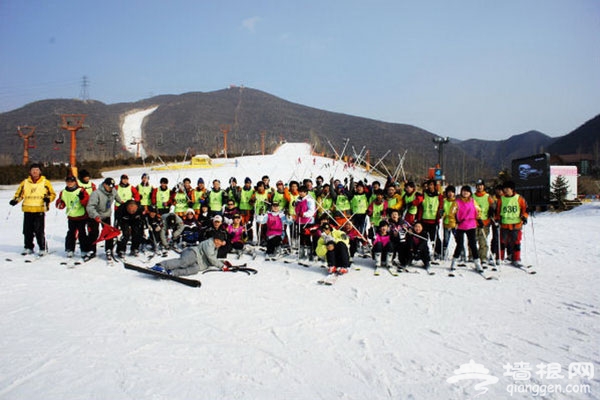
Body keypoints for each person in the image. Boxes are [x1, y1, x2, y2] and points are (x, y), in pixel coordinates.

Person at [10, 163, 56, 256]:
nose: (35, 172)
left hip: (39, 209)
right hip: (28, 208)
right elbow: (20, 194)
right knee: (27, 230)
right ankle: (28, 247)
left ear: (40, 171)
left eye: (37, 170)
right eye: (33, 170)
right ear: (30, 171)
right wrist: (15, 200)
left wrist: (48, 199)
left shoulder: (45, 182)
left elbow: (52, 194)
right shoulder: (25, 182)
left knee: (39, 230)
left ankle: (42, 248)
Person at [151, 231, 230, 277]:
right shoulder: (209, 243)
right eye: (221, 241)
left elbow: (213, 258)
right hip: (193, 253)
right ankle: (160, 265)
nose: (222, 243)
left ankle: (172, 272)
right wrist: (222, 266)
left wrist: (223, 262)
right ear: (216, 240)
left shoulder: (215, 247)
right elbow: (210, 257)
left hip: (198, 262)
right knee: (184, 262)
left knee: (193, 270)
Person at [86, 177, 122, 262]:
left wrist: (125, 204)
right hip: (95, 216)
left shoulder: (113, 191)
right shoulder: (96, 193)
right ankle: (92, 250)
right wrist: (96, 215)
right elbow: (90, 206)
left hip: (106, 215)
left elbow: (118, 199)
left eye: (112, 186)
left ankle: (108, 249)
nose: (110, 188)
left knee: (109, 233)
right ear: (104, 184)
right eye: (109, 186)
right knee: (93, 233)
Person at [495, 180, 529, 268]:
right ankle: (499, 258)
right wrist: (497, 219)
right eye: (504, 189)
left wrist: (524, 217)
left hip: (516, 224)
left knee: (516, 242)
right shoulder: (501, 199)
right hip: (504, 224)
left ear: (512, 189)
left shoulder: (519, 198)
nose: (505, 190)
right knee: (502, 242)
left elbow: (525, 209)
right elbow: (498, 211)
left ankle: (516, 259)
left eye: (507, 188)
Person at [55, 175, 90, 258]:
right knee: (71, 233)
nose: (70, 183)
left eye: (71, 181)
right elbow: (61, 203)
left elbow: (87, 202)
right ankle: (70, 249)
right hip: (71, 216)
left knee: (82, 233)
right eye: (68, 182)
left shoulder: (81, 190)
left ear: (75, 182)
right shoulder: (63, 192)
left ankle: (84, 249)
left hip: (81, 215)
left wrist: (82, 199)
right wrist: (60, 204)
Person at [449, 186, 483, 272]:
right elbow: (451, 214)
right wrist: (453, 224)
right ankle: (454, 261)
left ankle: (477, 262)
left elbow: (478, 210)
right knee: (459, 244)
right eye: (464, 191)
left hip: (471, 225)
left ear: (470, 193)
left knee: (473, 244)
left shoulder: (473, 201)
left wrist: (479, 219)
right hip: (461, 225)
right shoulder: (457, 202)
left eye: (467, 192)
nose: (465, 193)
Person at [419, 179, 443, 260]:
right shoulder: (424, 194)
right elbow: (421, 205)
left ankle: (438, 252)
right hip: (424, 219)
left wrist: (439, 215)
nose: (430, 187)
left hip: (434, 220)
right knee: (423, 237)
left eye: (432, 185)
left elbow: (441, 207)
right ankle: (423, 251)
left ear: (435, 186)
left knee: (435, 237)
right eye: (429, 185)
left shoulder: (439, 196)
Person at [474, 179, 495, 265]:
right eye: (478, 185)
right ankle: (472, 256)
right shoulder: (472, 196)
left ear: (483, 186)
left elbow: (493, 205)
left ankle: (483, 257)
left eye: (481, 185)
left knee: (483, 241)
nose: (479, 187)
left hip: (485, 222)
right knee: (473, 240)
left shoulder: (487, 196)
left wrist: (492, 211)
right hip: (474, 222)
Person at [294, 185, 317, 261]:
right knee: (301, 236)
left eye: (301, 192)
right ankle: (302, 252)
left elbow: (311, 211)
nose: (300, 193)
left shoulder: (310, 200)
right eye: (299, 192)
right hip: (300, 221)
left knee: (307, 236)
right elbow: (297, 209)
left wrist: (304, 214)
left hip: (308, 221)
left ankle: (310, 253)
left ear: (305, 192)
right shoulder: (298, 199)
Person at [441, 185, 457, 260]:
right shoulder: (444, 201)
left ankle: (460, 253)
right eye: (449, 192)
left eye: (452, 192)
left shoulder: (457, 202)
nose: (450, 194)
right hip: (446, 223)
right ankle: (444, 253)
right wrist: (441, 213)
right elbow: (442, 210)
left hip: (455, 223)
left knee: (458, 239)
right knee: (446, 239)